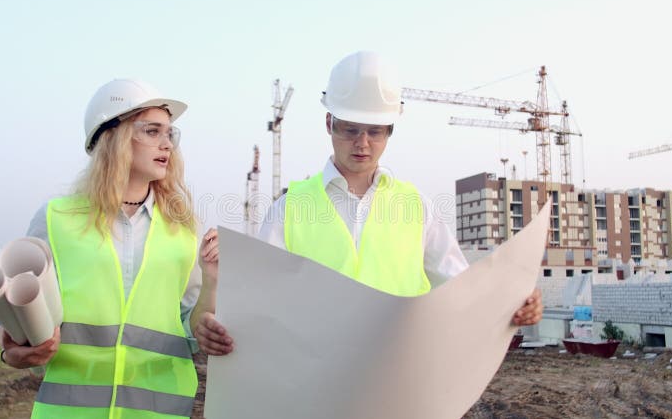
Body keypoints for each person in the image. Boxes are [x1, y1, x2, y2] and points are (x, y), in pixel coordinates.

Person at [197, 51, 543, 355]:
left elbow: (459, 289)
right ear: (329, 123)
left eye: (375, 131)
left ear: (389, 131)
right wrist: (220, 325)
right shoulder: (290, 208)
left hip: (398, 379)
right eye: (350, 129)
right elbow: (261, 298)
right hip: (313, 384)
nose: (362, 143)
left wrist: (513, 304)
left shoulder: (415, 207)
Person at [0, 79, 221, 419]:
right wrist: (8, 346)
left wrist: (213, 282)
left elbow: (189, 327)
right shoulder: (57, 219)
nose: (167, 145)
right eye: (152, 131)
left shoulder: (183, 230)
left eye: (170, 134)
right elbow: (15, 304)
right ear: (113, 137)